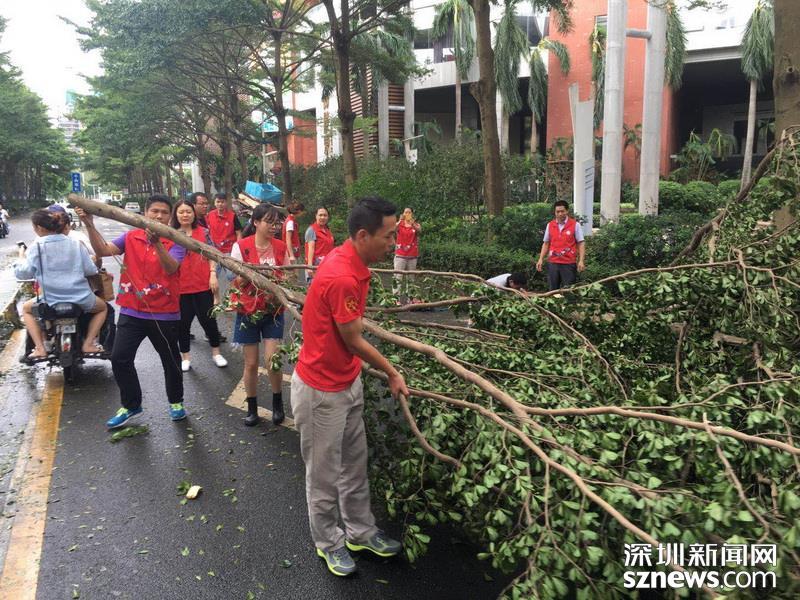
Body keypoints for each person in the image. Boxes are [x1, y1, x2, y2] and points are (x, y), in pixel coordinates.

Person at [291, 197, 408, 577]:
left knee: (354, 467)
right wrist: (392, 372)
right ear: (362, 235)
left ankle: (360, 532)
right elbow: (354, 339)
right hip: (321, 392)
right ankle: (329, 543)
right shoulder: (342, 275)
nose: (393, 243)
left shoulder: (354, 263)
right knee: (323, 477)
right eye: (388, 236)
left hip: (346, 381)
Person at [78, 194, 187, 429]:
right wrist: (89, 224)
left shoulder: (177, 240)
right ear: (145, 213)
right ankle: (131, 404)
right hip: (132, 311)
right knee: (119, 358)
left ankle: (176, 402)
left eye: (164, 212)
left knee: (170, 360)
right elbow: (103, 250)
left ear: (170, 217)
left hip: (164, 313)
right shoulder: (131, 236)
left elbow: (171, 268)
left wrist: (157, 243)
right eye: (154, 211)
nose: (158, 216)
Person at [14, 210, 107, 359]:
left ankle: (40, 348)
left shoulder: (37, 246)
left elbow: (23, 273)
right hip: (81, 298)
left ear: (39, 227)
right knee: (103, 308)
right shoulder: (75, 243)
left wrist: (19, 259)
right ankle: (89, 343)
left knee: (26, 309)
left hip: (49, 300)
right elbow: (90, 270)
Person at [230, 204, 289, 426]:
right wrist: (251, 275)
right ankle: (252, 407)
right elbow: (235, 281)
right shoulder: (241, 247)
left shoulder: (281, 247)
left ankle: (277, 403)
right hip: (248, 311)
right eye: (269, 222)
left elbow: (287, 276)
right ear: (255, 222)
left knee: (272, 360)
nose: (274, 226)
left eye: (277, 223)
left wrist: (279, 283)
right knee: (251, 363)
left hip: (273, 311)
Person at [170, 200, 227, 372]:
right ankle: (185, 357)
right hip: (180, 288)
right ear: (175, 214)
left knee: (209, 321)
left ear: (194, 214)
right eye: (181, 212)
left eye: (188, 211)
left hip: (202, 285)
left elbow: (212, 254)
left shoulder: (203, 232)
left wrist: (212, 273)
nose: (185, 215)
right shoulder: (170, 233)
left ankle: (216, 353)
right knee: (182, 325)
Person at [535, 200, 586, 291]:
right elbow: (546, 243)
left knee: (569, 290)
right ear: (555, 212)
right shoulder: (550, 225)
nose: (560, 214)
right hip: (553, 263)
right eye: (557, 211)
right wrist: (541, 259)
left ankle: (569, 301)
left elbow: (581, 243)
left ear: (567, 211)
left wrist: (581, 260)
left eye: (562, 211)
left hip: (569, 263)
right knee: (553, 291)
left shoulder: (575, 225)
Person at [207, 192, 242, 302]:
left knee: (232, 276)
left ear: (226, 203)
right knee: (213, 276)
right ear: (214, 203)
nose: (220, 204)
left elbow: (238, 233)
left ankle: (233, 299)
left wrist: (238, 249)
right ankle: (216, 298)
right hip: (214, 251)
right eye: (218, 202)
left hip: (229, 251)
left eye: (222, 202)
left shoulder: (232, 216)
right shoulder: (209, 215)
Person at [393, 207, 421, 303]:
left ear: (412, 214)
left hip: (412, 255)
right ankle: (395, 299)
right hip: (400, 255)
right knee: (397, 277)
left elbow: (419, 231)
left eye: (409, 212)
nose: (407, 214)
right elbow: (393, 229)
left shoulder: (415, 224)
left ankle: (410, 299)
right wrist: (400, 220)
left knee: (411, 279)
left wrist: (412, 224)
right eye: (406, 212)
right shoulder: (399, 224)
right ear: (403, 213)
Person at [304, 207, 334, 282]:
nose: (322, 217)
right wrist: (310, 266)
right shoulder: (311, 230)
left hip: (327, 265)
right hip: (315, 266)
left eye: (325, 215)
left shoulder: (327, 231)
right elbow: (310, 248)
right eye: (320, 215)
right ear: (316, 216)